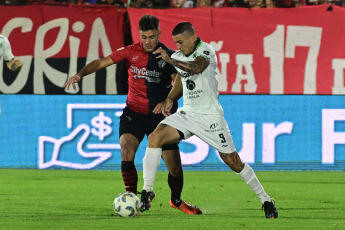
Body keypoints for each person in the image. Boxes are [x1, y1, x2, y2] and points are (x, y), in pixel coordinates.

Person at [64, 15, 202, 215]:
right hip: (134, 114)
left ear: (159, 34)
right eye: (144, 37)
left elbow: (179, 83)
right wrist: (79, 75)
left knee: (175, 168)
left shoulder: (168, 56)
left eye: (152, 37)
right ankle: (132, 197)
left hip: (161, 118)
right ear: (139, 35)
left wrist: (167, 100)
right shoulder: (130, 52)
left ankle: (176, 200)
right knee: (126, 148)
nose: (148, 42)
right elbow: (101, 62)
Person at [140, 21, 278, 219]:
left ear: (192, 38)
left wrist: (172, 61)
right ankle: (147, 190)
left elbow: (196, 68)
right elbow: (181, 78)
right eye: (175, 43)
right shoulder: (178, 56)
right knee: (156, 136)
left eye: (180, 42)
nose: (177, 47)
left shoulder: (206, 51)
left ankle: (266, 200)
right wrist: (170, 98)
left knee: (232, 160)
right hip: (188, 113)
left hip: (210, 115)